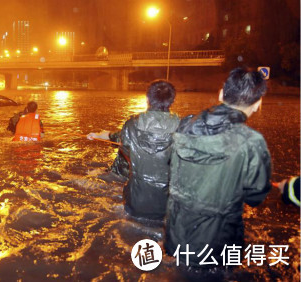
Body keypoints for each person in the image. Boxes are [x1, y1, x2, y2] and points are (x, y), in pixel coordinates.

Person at [164, 67, 271, 268]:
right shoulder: (252, 142)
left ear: (221, 93)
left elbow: (172, 166)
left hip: (176, 234)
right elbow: (255, 197)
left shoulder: (185, 124)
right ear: (258, 103)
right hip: (218, 243)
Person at [88, 80, 180, 220]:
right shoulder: (183, 127)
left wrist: (97, 135)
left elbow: (120, 144)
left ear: (148, 99)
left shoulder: (132, 125)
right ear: (172, 100)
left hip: (136, 202)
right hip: (169, 206)